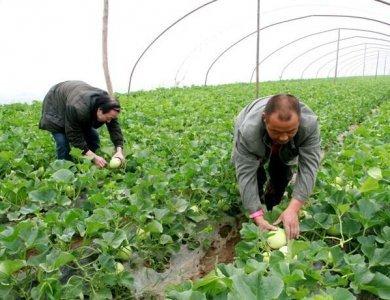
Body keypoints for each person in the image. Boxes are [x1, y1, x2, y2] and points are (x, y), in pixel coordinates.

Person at [232, 94, 321, 240]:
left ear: (300, 120)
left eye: (291, 131)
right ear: (264, 119)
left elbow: (309, 168)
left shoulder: (309, 126)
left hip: (282, 136)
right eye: (276, 132)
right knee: (256, 175)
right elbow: (245, 174)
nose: (284, 137)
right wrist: (256, 215)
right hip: (250, 124)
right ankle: (259, 215)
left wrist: (293, 208)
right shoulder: (248, 131)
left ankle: (274, 204)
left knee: (282, 173)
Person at [39, 80, 124, 168]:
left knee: (93, 137)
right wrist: (93, 156)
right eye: (108, 118)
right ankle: (65, 169)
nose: (109, 121)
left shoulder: (109, 106)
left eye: (111, 118)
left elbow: (114, 128)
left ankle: (91, 163)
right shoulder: (78, 108)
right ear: (100, 110)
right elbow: (74, 135)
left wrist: (119, 150)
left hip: (74, 96)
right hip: (55, 104)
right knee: (63, 142)